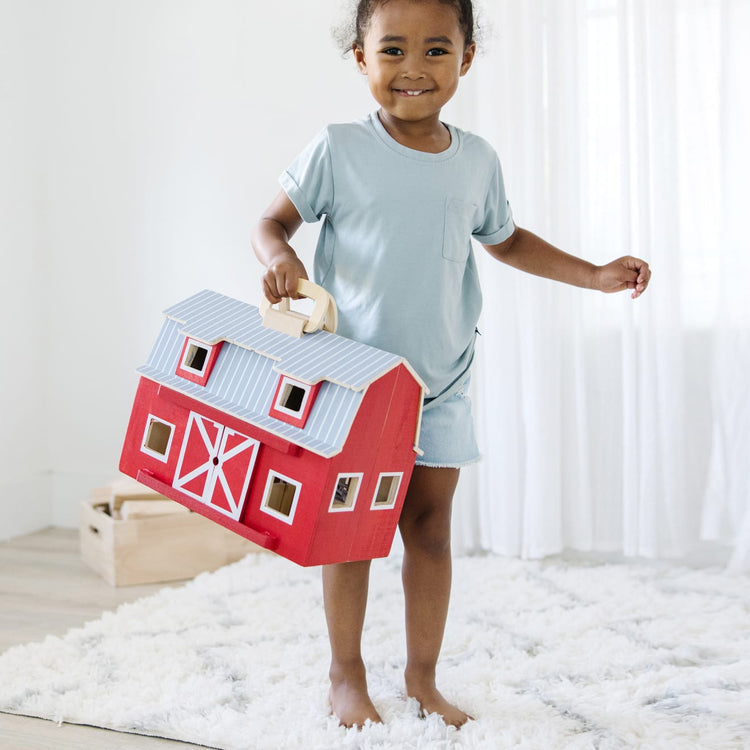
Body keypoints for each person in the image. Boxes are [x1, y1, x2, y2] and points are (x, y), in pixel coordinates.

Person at [251, 0, 651, 730]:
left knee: (429, 531)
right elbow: (270, 220)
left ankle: (423, 678)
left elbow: (506, 239)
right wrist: (281, 255)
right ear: (361, 59)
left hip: (442, 383)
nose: (414, 68)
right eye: (393, 49)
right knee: (352, 530)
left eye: (436, 50)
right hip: (356, 383)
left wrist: (594, 275)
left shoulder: (476, 160)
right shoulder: (338, 148)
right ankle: (345, 673)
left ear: (465, 59)